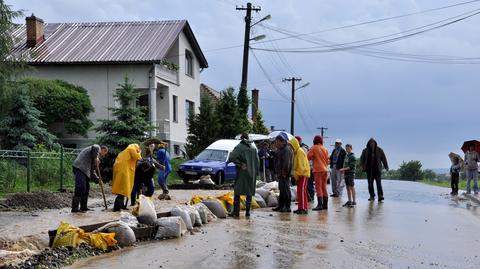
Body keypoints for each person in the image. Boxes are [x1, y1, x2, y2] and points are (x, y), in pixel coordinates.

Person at [228, 133, 259, 217]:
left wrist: (239, 164)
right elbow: (257, 161)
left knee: (237, 191)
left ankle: (236, 212)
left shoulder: (239, 147)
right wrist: (256, 173)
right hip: (252, 173)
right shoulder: (253, 148)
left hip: (242, 172)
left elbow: (231, 157)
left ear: (241, 139)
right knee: (249, 192)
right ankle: (248, 212)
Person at [71, 145, 108, 213]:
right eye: (104, 153)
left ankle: (84, 207)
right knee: (80, 187)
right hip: (80, 168)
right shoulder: (97, 148)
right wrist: (96, 158)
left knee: (86, 188)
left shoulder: (94, 157)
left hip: (85, 172)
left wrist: (98, 180)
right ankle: (75, 208)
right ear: (103, 150)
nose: (103, 155)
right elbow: (95, 147)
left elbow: (92, 172)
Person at [112, 144, 142, 211]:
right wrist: (139, 152)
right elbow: (138, 157)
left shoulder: (125, 152)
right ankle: (116, 208)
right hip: (124, 172)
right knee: (123, 190)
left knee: (123, 189)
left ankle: (121, 206)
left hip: (122, 171)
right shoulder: (131, 149)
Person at [272, 134, 294, 213]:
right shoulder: (280, 149)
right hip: (280, 173)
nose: (276, 143)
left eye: (277, 142)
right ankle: (281, 205)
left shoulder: (287, 149)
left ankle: (287, 206)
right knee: (281, 189)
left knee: (286, 189)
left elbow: (287, 163)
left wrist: (284, 172)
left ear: (281, 141)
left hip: (285, 173)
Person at [307, 135, 330, 210]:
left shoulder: (314, 147)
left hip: (318, 170)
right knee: (324, 187)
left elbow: (308, 157)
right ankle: (325, 205)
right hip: (325, 170)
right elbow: (327, 160)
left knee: (318, 187)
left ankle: (320, 204)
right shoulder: (325, 149)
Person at [290, 137, 311, 214]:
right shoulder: (297, 152)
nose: (291, 147)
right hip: (300, 175)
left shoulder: (299, 152)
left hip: (303, 175)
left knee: (301, 191)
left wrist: (297, 174)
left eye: (291, 146)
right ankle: (302, 207)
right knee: (301, 192)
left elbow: (301, 166)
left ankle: (303, 208)